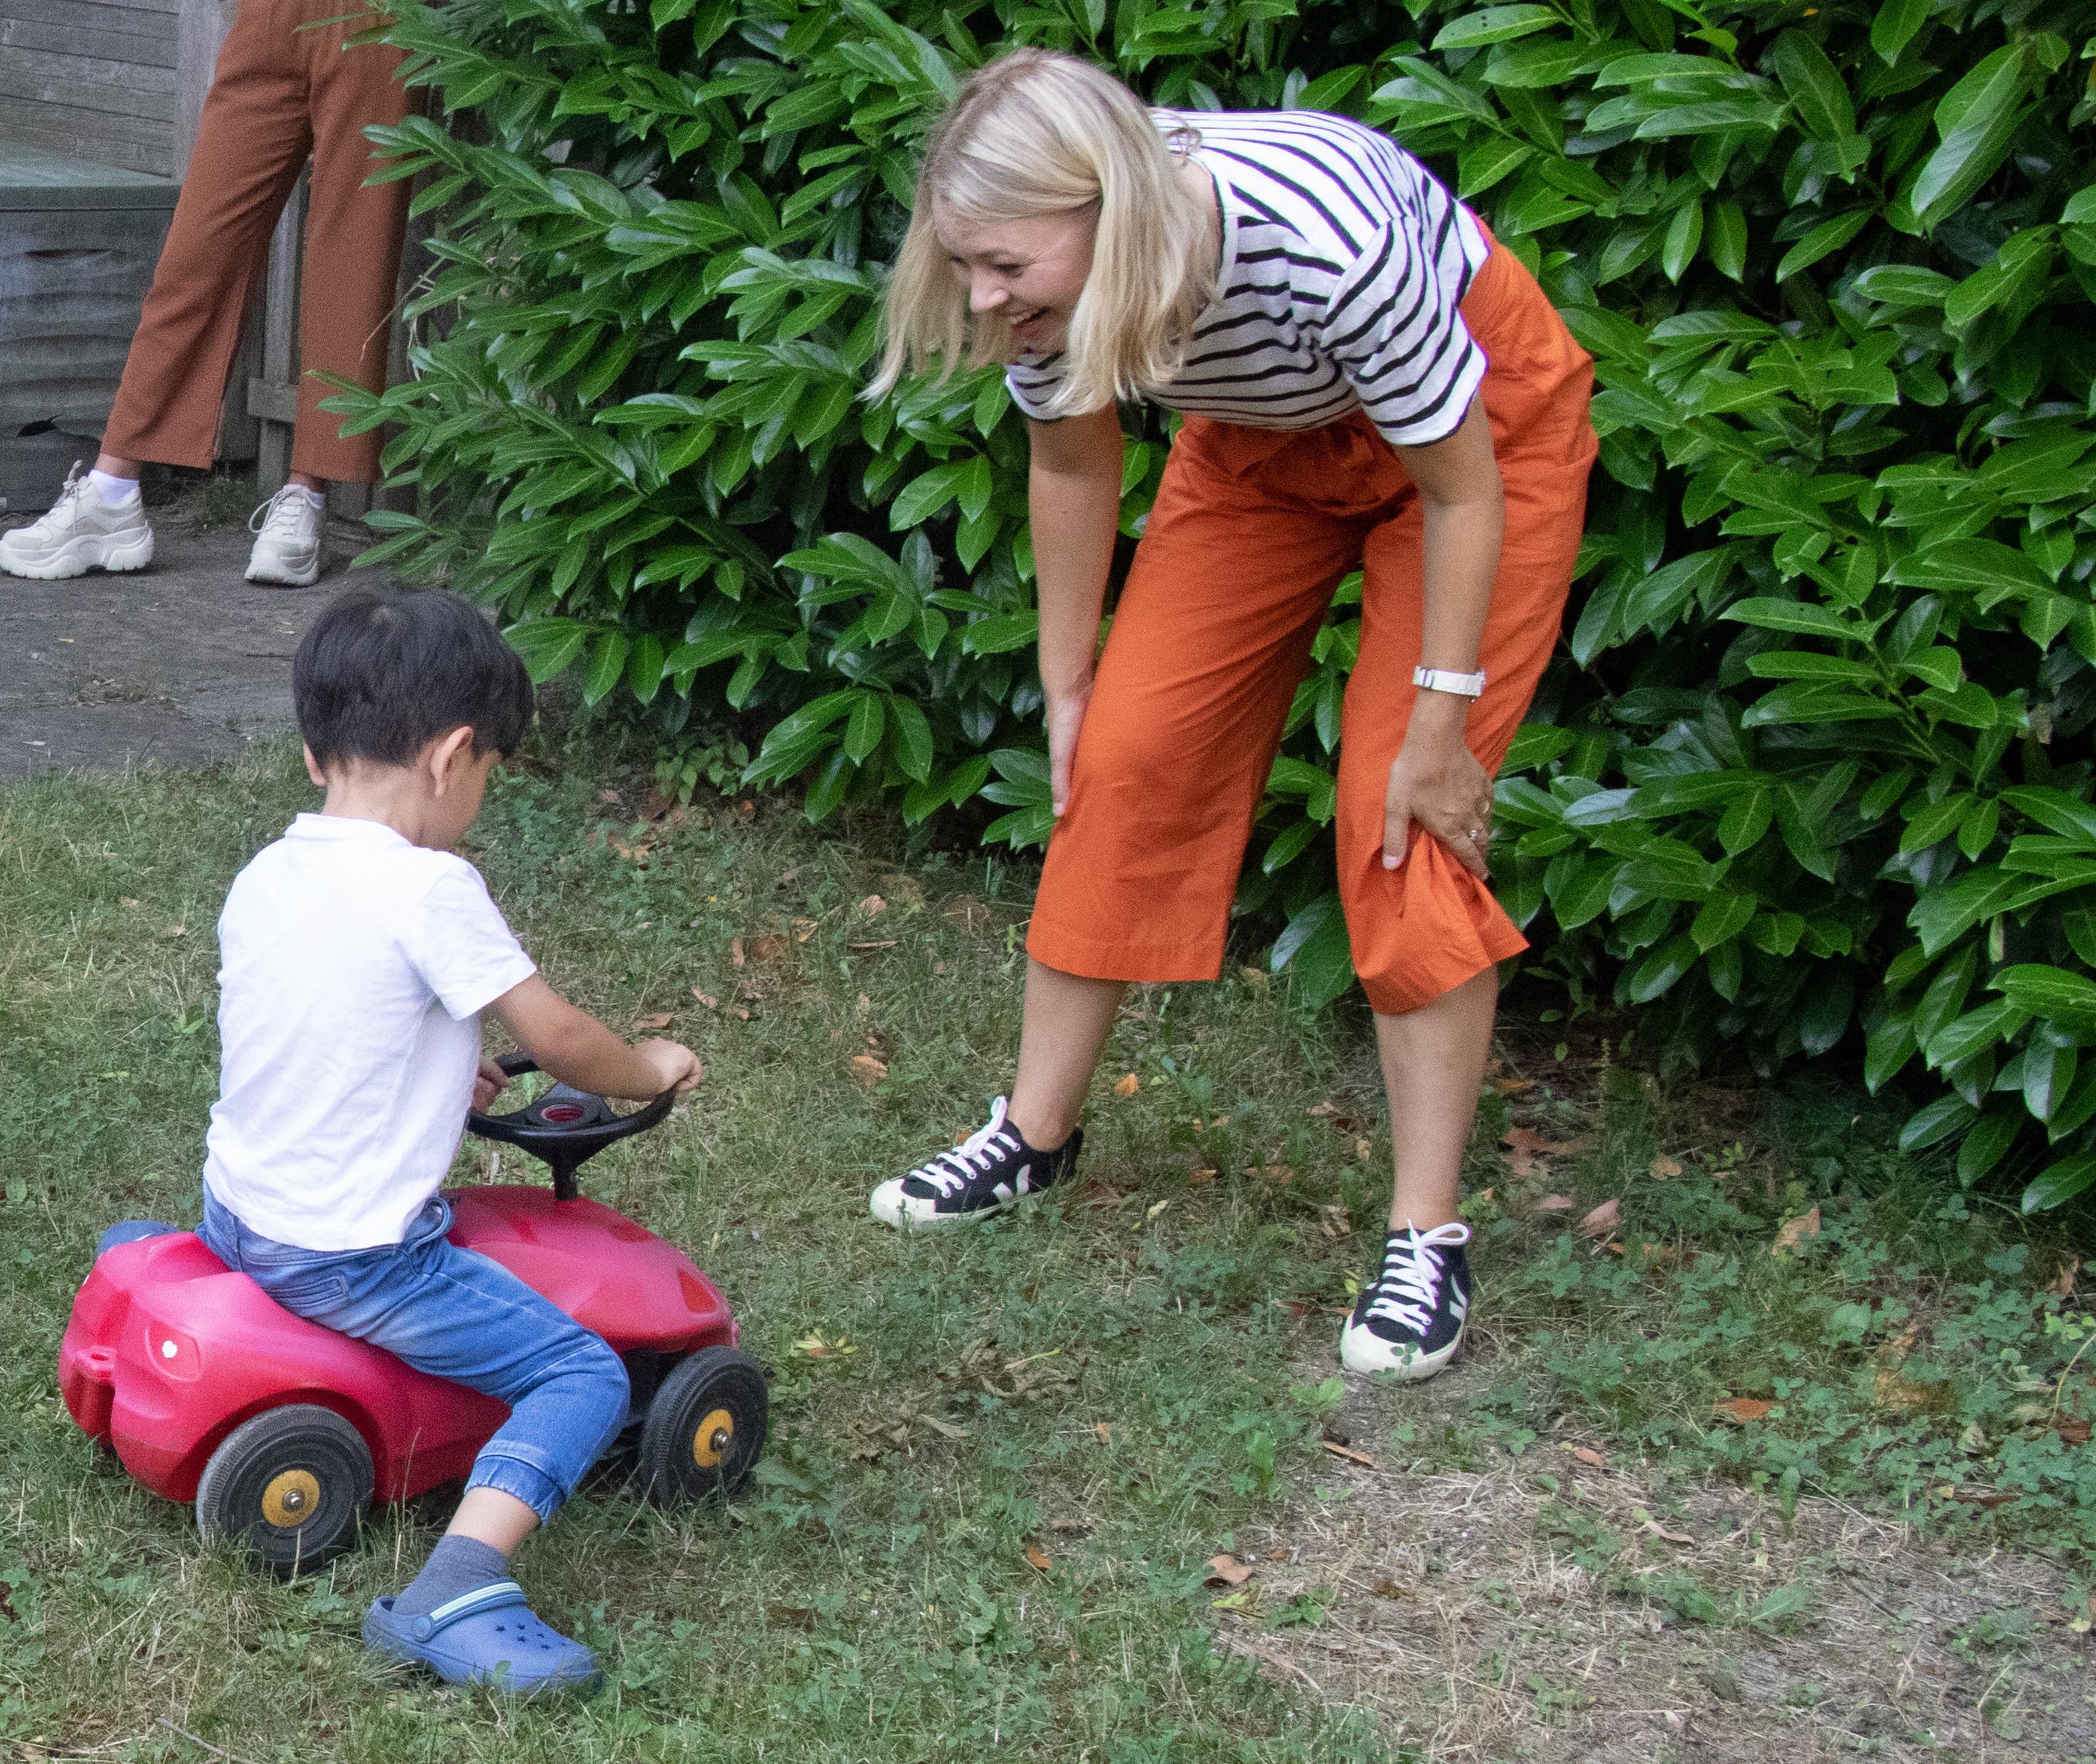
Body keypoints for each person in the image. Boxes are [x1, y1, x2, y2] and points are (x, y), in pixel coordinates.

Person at [864, 51, 1596, 1384]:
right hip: (1262, 444)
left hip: (1480, 445)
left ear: (1108, 209)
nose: (980, 297)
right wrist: (1071, 686)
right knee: (1125, 757)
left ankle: (1426, 1239)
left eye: (1004, 265)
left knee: (1398, 812)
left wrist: (1441, 726)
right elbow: (1071, 460)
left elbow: (1461, 491)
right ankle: (1033, 1136)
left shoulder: (1327, 242)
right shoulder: (1052, 293)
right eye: (962, 264)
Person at [199, 588, 701, 1692]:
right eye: (489, 773)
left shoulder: (270, 872)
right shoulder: (432, 888)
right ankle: (458, 1584)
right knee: (581, 1371)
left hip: (236, 1209)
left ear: (313, 751)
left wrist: (434, 1064)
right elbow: (560, 1040)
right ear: (452, 756)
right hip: (352, 1254)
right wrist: (647, 1068)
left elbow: (325, 1018)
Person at [0, 0, 414, 588]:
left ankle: (306, 494)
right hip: (269, 18)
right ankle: (112, 491)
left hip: (381, 16)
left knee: (353, 260)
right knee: (196, 257)